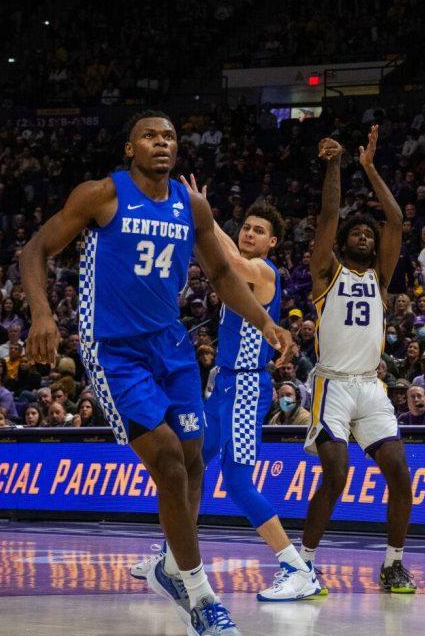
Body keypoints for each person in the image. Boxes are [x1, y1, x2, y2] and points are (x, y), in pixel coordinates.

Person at [20, 111, 291, 636]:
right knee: (168, 459)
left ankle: (172, 565)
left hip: (172, 348)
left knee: (192, 461)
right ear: (130, 148)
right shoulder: (101, 195)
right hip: (115, 351)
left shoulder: (192, 206)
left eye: (169, 136)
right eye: (150, 136)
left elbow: (219, 273)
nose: (161, 143)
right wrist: (41, 312)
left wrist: (265, 321)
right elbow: (35, 249)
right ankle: (200, 595)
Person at [178, 179, 321, 603]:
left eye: (259, 231)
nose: (249, 233)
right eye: (246, 227)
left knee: (237, 481)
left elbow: (233, 264)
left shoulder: (263, 271)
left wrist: (204, 215)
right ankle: (175, 556)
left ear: (273, 242)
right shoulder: (240, 264)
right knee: (192, 464)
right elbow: (222, 255)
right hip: (222, 382)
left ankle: (297, 568)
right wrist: (204, 218)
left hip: (244, 385)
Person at [300, 128, 417, 594]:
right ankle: (304, 563)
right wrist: (335, 165)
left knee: (400, 474)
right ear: (345, 242)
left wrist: (369, 168)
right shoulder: (326, 271)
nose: (366, 236)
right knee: (337, 475)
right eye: (358, 232)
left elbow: (396, 221)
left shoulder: (382, 279)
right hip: (332, 384)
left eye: (369, 233)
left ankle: (393, 563)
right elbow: (329, 215)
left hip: (370, 386)